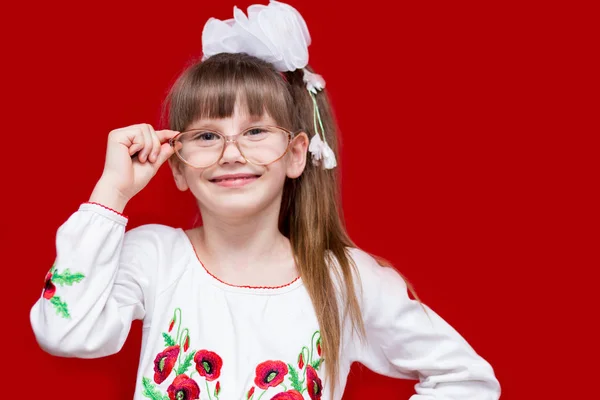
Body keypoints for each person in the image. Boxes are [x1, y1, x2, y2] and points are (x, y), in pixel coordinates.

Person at [30, 1, 501, 399]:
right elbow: (65, 331)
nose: (231, 153)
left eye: (255, 131)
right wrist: (112, 192)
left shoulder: (344, 278)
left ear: (297, 153)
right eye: (208, 135)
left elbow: (468, 379)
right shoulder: (154, 255)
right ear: (176, 164)